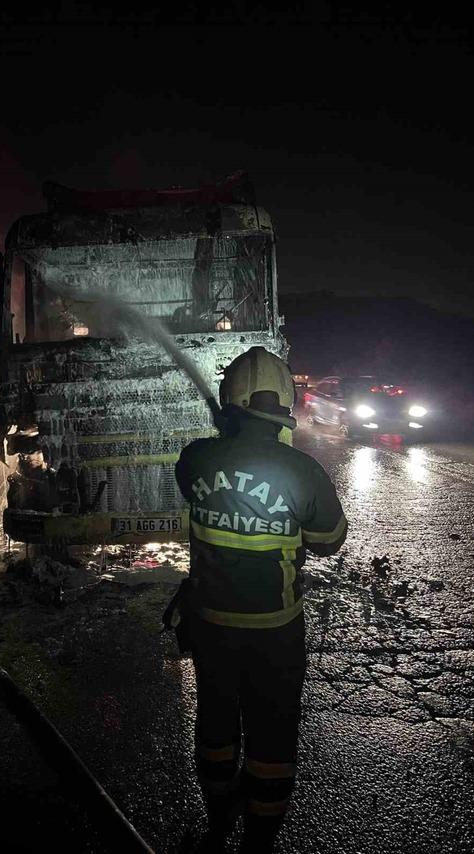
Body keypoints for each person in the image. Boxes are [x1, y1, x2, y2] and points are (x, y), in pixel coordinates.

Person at [174, 346, 348, 852]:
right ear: (284, 402)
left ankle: (217, 817)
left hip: (210, 626)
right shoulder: (303, 470)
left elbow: (194, 487)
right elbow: (329, 540)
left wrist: (225, 441)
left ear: (230, 399)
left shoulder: (197, 458)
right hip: (276, 632)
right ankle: (260, 840)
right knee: (272, 737)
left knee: (215, 726)